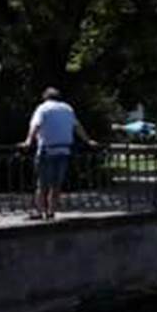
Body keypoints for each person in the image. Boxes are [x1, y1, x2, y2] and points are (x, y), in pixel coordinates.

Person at [19, 87, 99, 220]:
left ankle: (40, 211)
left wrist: (28, 141)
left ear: (45, 97)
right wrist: (88, 140)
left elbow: (36, 125)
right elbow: (77, 126)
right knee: (56, 184)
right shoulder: (67, 108)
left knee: (42, 183)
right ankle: (51, 211)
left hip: (47, 149)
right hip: (64, 149)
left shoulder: (43, 108)